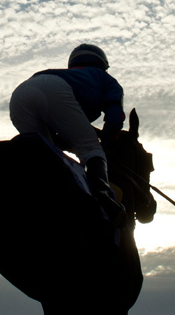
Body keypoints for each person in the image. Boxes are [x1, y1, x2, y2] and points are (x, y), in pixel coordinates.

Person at [9, 43, 125, 199]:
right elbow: (115, 117)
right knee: (92, 149)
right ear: (102, 65)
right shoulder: (105, 78)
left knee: (45, 158)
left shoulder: (70, 76)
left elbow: (59, 139)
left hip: (19, 94)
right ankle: (103, 200)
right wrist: (106, 142)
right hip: (53, 89)